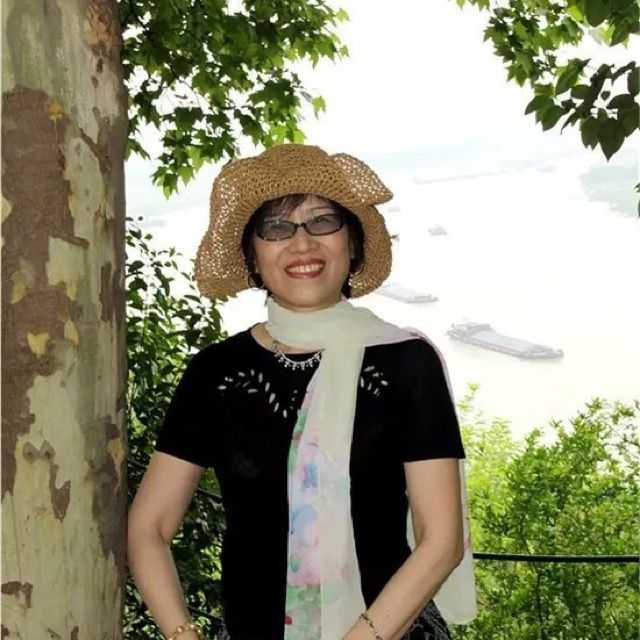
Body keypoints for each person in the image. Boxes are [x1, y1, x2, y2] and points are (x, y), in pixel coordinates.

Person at [127, 144, 476, 640]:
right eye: (276, 228)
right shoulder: (216, 372)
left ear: (352, 243)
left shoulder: (406, 362)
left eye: (322, 221)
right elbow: (149, 527)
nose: (302, 243)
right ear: (252, 255)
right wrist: (183, 634)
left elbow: (441, 540)